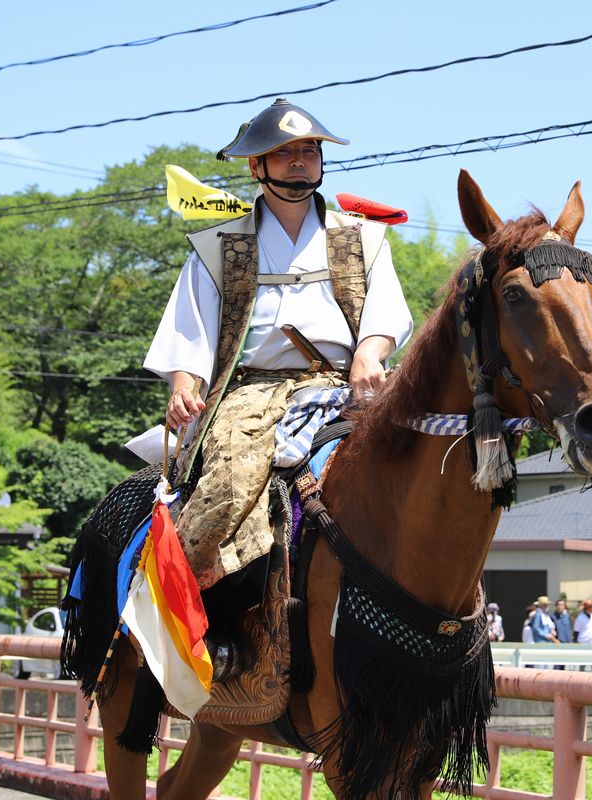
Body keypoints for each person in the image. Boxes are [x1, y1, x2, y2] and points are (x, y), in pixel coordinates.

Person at [145, 98, 413, 591]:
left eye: (309, 151)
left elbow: (387, 313)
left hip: (346, 385)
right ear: (255, 164)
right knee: (227, 483)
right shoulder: (218, 246)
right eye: (284, 152)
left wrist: (369, 353)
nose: (298, 162)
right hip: (252, 394)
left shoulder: (363, 238)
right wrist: (184, 384)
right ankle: (197, 609)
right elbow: (190, 330)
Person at [551, 599, 572, 669]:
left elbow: (569, 629)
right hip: (557, 644)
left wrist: (570, 641)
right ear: (556, 606)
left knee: (563, 665)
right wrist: (555, 640)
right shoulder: (553, 617)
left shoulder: (567, 616)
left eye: (562, 605)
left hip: (566, 645)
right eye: (558, 605)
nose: (560, 606)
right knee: (557, 666)